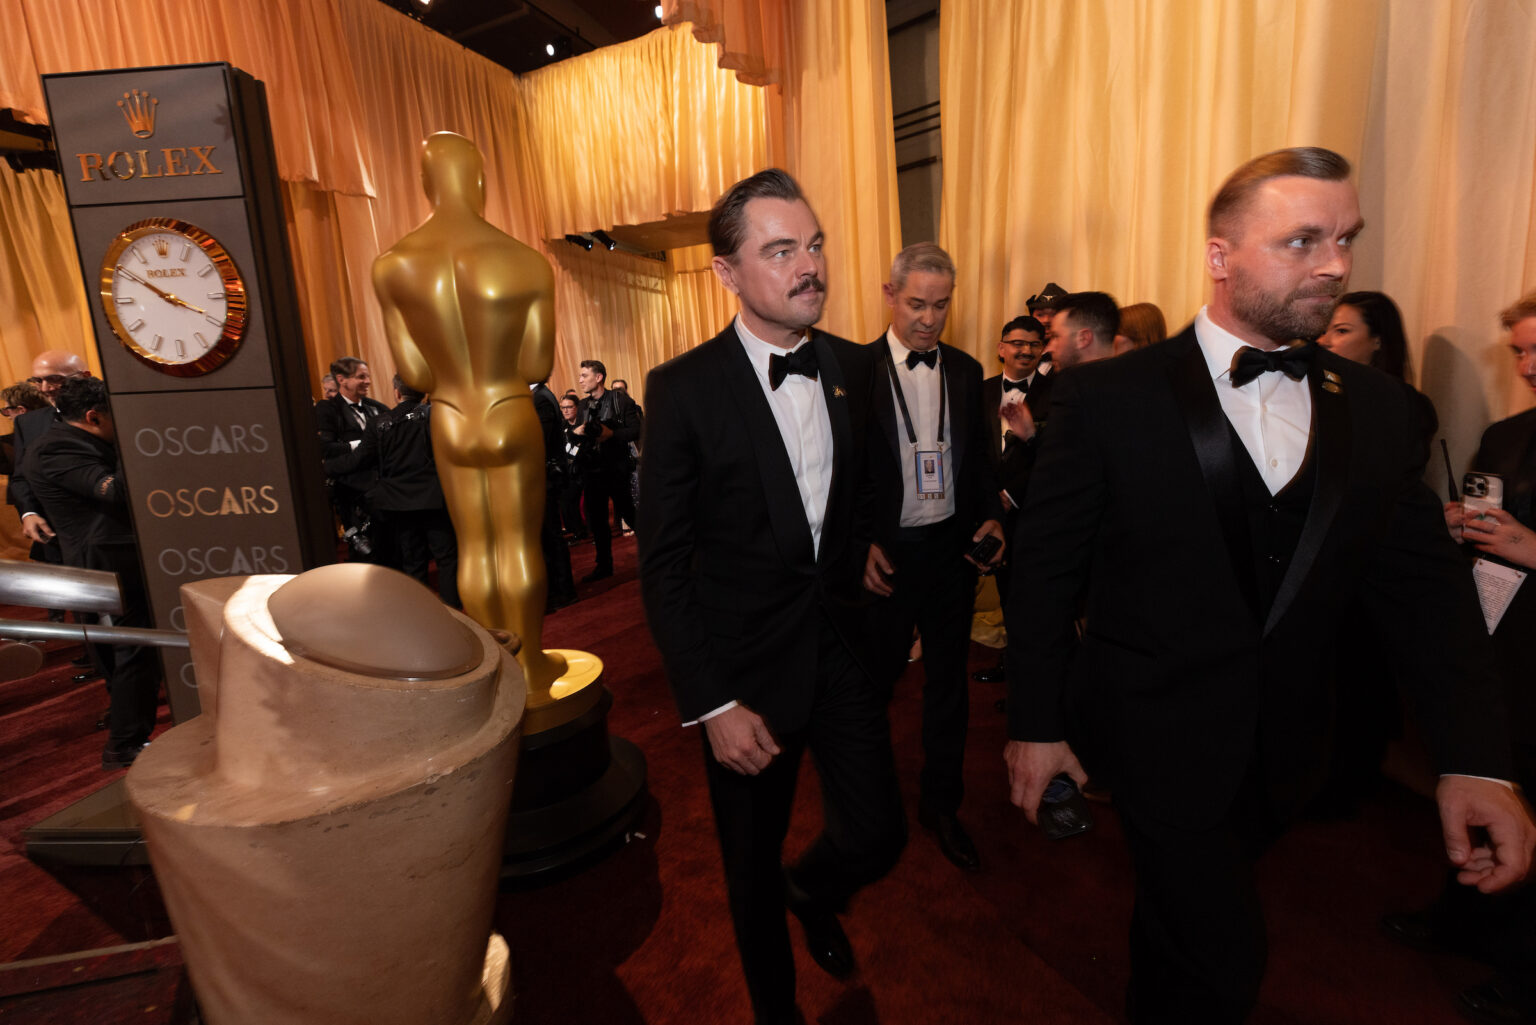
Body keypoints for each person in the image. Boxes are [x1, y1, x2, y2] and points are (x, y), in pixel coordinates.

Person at [1002, 146, 1534, 1022]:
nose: (1334, 263)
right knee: (1221, 955)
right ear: (1220, 256)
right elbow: (1047, 572)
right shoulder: (1104, 398)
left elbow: (1428, 595)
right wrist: (1035, 722)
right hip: (1150, 733)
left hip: (1290, 746)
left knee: (1181, 927)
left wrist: (1475, 758)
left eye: (1345, 239)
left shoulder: (1379, 407)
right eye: (1302, 241)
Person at [637, 168, 904, 1025]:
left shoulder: (853, 367)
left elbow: (855, 485)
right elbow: (666, 565)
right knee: (747, 873)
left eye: (815, 243)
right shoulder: (682, 389)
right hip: (743, 674)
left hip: (840, 648)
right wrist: (712, 702)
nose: (809, 265)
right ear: (726, 272)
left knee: (880, 831)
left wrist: (857, 541)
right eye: (781, 249)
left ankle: (814, 888)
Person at [1384, 292, 1536, 1024]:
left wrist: (1534, 548)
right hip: (1500, 640)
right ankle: (1462, 916)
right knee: (1487, 772)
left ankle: (1526, 966)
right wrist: (1447, 525)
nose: (1528, 365)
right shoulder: (1508, 434)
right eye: (1519, 351)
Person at [372, 131, 567, 698]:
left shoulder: (392, 266)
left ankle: (502, 676)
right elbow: (536, 362)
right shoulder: (525, 262)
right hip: (507, 405)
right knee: (519, 544)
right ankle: (532, 666)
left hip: (451, 413)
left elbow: (415, 373)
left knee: (475, 547)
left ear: (426, 183)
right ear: (480, 181)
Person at [860, 242, 1004, 872]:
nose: (928, 318)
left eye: (940, 305)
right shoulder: (853, 371)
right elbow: (836, 476)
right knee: (871, 687)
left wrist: (992, 513)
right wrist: (854, 544)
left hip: (949, 552)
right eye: (916, 303)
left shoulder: (969, 372)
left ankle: (941, 805)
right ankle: (867, 807)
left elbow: (975, 463)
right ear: (889, 295)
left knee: (950, 689)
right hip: (884, 558)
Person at [22, 378, 159, 769]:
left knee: (133, 654)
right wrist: (136, 445)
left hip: (114, 561)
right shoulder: (56, 448)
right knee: (131, 653)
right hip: (104, 566)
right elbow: (114, 490)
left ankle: (129, 739)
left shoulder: (67, 441)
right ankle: (125, 744)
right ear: (93, 416)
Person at [326, 375, 460, 606]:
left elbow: (356, 462)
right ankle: (453, 610)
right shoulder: (437, 416)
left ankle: (422, 613)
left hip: (399, 503)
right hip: (434, 499)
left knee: (412, 560)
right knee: (446, 557)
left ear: (397, 393)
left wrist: (322, 468)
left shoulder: (379, 424)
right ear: (423, 392)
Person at [973, 315, 1051, 685]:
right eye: (1018, 342)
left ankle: (1031, 680)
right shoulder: (981, 390)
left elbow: (1055, 456)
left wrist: (1011, 494)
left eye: (1035, 344)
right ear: (1001, 347)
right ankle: (1011, 666)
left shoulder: (1060, 391)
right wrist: (991, 499)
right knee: (1005, 595)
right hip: (991, 513)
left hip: (1035, 513)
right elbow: (973, 452)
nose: (1025, 350)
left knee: (1033, 601)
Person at [572, 358, 642, 580]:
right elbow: (574, 435)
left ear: (599, 377)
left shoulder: (620, 400)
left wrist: (611, 434)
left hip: (616, 468)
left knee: (630, 514)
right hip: (592, 470)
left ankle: (656, 553)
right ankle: (604, 565)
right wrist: (577, 432)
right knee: (598, 521)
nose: (580, 380)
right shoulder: (582, 406)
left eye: (585, 375)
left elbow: (635, 431)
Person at [314, 356, 389, 562]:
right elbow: (325, 448)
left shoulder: (377, 408)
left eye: (367, 376)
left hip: (382, 489)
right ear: (342, 379)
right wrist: (363, 444)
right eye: (361, 377)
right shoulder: (327, 409)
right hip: (351, 491)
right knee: (364, 555)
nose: (367, 381)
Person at [532, 377, 577, 610]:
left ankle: (563, 591)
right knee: (547, 538)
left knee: (550, 537)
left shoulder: (540, 398)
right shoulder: (538, 396)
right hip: (541, 478)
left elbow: (538, 439)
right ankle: (559, 590)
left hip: (545, 478)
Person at [1319, 289, 1410, 378]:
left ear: (1378, 341)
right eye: (1322, 331)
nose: (1322, 341)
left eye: (1341, 331)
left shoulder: (1395, 392)